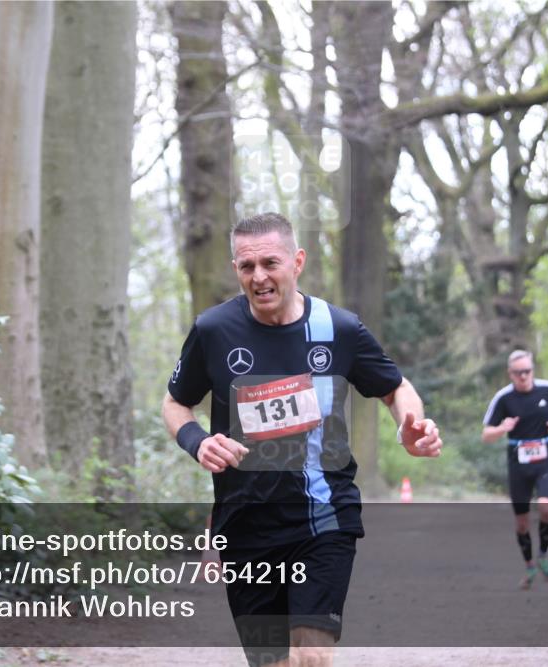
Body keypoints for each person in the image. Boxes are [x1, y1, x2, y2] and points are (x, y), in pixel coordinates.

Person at [162, 212, 442, 667]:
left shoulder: (339, 329)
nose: (259, 277)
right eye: (247, 267)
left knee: (311, 656)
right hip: (246, 525)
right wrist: (197, 441)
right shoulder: (213, 331)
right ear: (236, 270)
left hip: (323, 516)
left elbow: (395, 388)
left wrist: (410, 426)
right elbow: (174, 403)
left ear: (297, 262)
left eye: (270, 263)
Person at [482, 349, 548, 590]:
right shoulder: (503, 398)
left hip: (546, 459)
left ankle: (543, 554)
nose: (523, 376)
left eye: (527, 371)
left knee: (546, 507)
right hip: (518, 465)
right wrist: (503, 428)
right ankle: (530, 564)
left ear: (533, 370)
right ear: (510, 374)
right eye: (518, 373)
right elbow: (486, 435)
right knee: (521, 523)